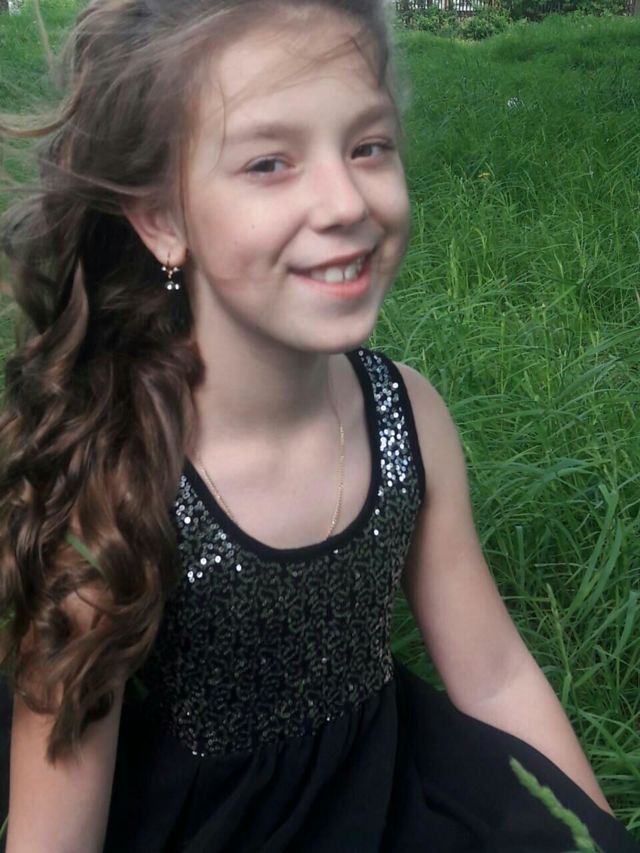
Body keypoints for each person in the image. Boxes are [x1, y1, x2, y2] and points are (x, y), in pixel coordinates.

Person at [0, 1, 637, 850]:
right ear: (162, 219)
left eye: (369, 146)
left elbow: (494, 676)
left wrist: (594, 834)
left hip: (385, 799)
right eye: (270, 162)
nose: (344, 201)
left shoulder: (408, 417)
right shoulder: (116, 481)